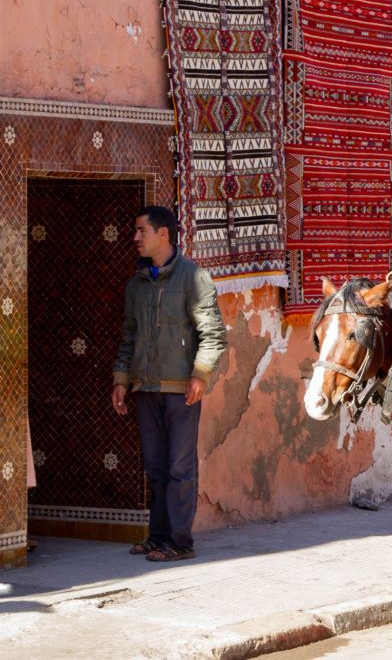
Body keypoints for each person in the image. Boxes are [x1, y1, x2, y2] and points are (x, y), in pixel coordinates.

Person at [111, 206, 226, 562]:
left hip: (181, 390)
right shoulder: (137, 283)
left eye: (141, 231)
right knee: (156, 468)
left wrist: (200, 375)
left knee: (180, 468)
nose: (135, 238)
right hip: (145, 388)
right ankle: (157, 536)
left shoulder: (194, 278)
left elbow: (213, 334)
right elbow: (129, 335)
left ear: (163, 234)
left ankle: (179, 541)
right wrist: (121, 378)